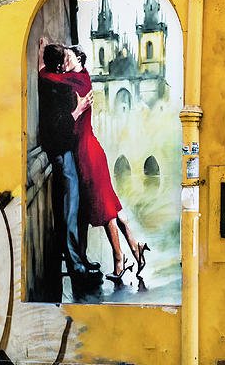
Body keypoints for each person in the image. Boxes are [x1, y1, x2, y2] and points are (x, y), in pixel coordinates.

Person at [41, 43, 150, 285]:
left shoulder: (78, 81)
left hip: (87, 153)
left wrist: (44, 67)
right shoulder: (80, 77)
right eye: (64, 58)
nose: (65, 62)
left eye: (69, 57)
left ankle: (121, 258)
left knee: (105, 208)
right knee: (109, 206)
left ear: (79, 60)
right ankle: (135, 247)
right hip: (87, 150)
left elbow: (50, 78)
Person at [38, 42, 102, 299]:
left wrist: (44, 59)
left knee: (74, 209)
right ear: (58, 64)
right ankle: (77, 266)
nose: (66, 64)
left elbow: (46, 74)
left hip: (64, 153)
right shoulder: (58, 86)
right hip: (63, 154)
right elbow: (60, 125)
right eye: (63, 59)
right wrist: (78, 110)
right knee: (71, 209)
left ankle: (79, 261)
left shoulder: (54, 81)